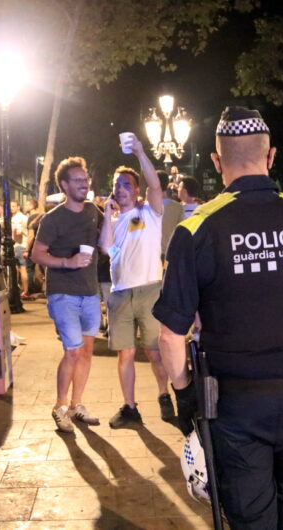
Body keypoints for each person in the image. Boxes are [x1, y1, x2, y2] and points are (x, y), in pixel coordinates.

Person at [153, 107, 283, 529]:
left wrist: (185, 396)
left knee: (251, 517)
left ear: (217, 163)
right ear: (271, 157)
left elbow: (169, 334)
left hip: (235, 407)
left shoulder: (196, 230)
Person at [99, 133, 175, 428]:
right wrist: (107, 214)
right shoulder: (115, 221)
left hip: (149, 291)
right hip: (120, 294)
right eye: (117, 184)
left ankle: (163, 394)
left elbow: (156, 184)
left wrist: (140, 152)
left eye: (126, 184)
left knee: (155, 352)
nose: (120, 189)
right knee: (125, 354)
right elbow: (107, 249)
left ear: (137, 189)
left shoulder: (150, 212)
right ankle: (130, 408)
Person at [31, 156, 103, 432]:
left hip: (89, 291)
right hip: (63, 293)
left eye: (85, 180)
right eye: (77, 180)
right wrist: (67, 262)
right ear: (64, 185)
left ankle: (76, 405)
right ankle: (60, 407)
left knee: (86, 351)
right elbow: (37, 254)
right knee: (72, 351)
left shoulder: (93, 212)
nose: (83, 184)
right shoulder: (53, 219)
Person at [157, 170, 185, 260]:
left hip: (151, 255)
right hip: (171, 254)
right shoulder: (178, 207)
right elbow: (181, 234)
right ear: (168, 184)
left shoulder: (146, 207)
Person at [10, 199, 29, 298]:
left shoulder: (20, 218)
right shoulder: (18, 217)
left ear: (18, 207)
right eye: (10, 206)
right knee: (18, 269)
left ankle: (25, 290)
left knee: (22, 268)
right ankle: (22, 289)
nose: (11, 208)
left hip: (20, 245)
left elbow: (19, 234)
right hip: (18, 245)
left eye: (13, 206)